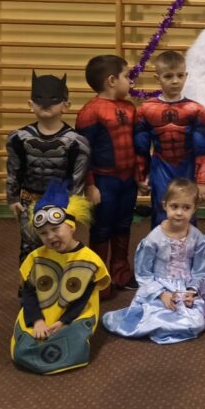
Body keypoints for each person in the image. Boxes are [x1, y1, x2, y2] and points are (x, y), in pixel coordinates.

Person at [10, 180, 110, 375]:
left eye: (56, 229)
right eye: (43, 233)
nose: (50, 236)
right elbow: (28, 294)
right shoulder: (35, 258)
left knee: (70, 345)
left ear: (71, 226)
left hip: (73, 316)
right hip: (42, 313)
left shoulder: (89, 260)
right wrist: (37, 321)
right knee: (22, 349)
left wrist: (63, 322)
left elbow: (83, 300)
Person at [101, 178, 205, 344]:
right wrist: (161, 293)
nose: (179, 213)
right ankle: (158, 322)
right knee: (154, 316)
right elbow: (144, 272)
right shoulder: (154, 238)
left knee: (195, 321)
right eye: (174, 206)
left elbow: (200, 270)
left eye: (186, 207)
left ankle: (175, 323)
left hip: (185, 287)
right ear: (165, 205)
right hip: (158, 286)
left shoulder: (197, 238)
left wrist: (192, 291)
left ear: (194, 209)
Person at [6, 72, 90, 262]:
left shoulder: (77, 142)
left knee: (61, 247)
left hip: (61, 203)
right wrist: (12, 197)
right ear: (30, 104)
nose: (45, 104)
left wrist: (72, 209)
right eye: (39, 99)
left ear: (66, 105)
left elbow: (78, 179)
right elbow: (13, 169)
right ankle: (29, 281)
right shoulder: (18, 138)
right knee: (29, 247)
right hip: (29, 201)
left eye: (53, 99)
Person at [75, 54, 141, 292]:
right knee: (102, 227)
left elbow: (137, 145)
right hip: (103, 181)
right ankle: (99, 276)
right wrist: (90, 185)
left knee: (123, 224)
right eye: (127, 76)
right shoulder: (90, 112)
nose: (130, 81)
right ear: (112, 81)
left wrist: (139, 174)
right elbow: (83, 154)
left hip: (127, 180)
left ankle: (121, 273)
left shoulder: (130, 107)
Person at [134, 50, 205, 227]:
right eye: (168, 76)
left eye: (180, 75)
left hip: (187, 166)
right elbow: (141, 148)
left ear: (186, 76)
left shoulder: (196, 110)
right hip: (160, 165)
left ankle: (189, 245)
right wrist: (141, 176)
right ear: (158, 78)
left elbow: (201, 150)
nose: (175, 81)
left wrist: (201, 181)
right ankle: (159, 245)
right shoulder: (145, 110)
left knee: (188, 211)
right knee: (161, 210)